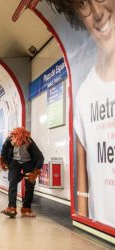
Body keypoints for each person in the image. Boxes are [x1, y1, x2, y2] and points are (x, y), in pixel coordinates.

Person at [47, 0, 115, 227]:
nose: (97, 13)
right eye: (83, 5)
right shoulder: (85, 94)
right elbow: (84, 185)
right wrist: (85, 228)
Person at [0, 127, 44, 218]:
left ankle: (26, 209)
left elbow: (40, 157)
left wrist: (35, 172)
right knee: (12, 183)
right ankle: (11, 208)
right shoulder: (9, 140)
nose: (17, 144)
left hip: (28, 162)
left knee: (30, 184)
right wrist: (3, 162)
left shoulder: (29, 142)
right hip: (15, 162)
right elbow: (3, 151)